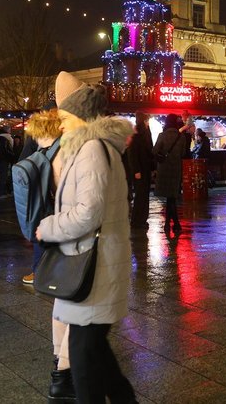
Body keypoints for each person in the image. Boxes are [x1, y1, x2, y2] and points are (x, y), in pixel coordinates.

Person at [35, 72, 136, 404]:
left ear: (80, 118)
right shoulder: (89, 148)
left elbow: (87, 213)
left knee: (83, 360)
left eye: (65, 118)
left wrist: (47, 227)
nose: (60, 126)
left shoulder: (92, 149)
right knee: (94, 351)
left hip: (94, 269)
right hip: (94, 265)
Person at [19, 108, 62, 285]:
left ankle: (40, 271)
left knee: (42, 234)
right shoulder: (57, 146)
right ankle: (44, 270)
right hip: (53, 201)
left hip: (50, 201)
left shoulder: (48, 150)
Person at [153, 113, 188, 236]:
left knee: (170, 198)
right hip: (176, 169)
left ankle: (170, 223)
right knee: (171, 197)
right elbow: (184, 153)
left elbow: (155, 151)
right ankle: (173, 223)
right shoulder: (181, 137)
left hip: (164, 169)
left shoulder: (162, 136)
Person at [126, 111, 153, 228]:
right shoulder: (138, 134)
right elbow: (133, 154)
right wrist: (136, 170)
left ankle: (141, 219)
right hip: (141, 169)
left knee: (143, 195)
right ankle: (138, 220)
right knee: (141, 195)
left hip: (144, 168)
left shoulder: (143, 133)